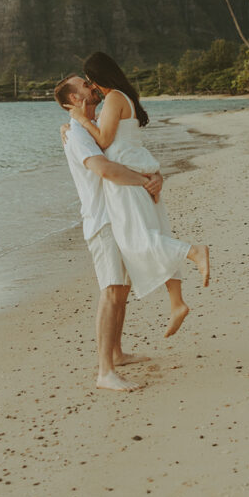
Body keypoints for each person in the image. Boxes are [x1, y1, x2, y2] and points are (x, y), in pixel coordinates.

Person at [69, 52, 210, 336]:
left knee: (138, 240)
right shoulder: (121, 98)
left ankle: (194, 251)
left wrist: (81, 122)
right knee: (157, 235)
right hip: (139, 173)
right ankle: (177, 303)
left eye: (89, 80)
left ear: (98, 77)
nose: (89, 86)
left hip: (128, 181)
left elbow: (105, 140)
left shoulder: (115, 98)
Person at [55, 74, 161, 392]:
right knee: (111, 291)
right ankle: (104, 372)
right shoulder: (77, 134)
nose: (93, 87)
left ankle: (117, 353)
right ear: (74, 99)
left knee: (122, 290)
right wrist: (145, 181)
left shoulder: (96, 126)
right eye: (85, 86)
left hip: (118, 215)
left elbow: (126, 156)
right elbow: (105, 170)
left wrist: (155, 176)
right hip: (102, 220)